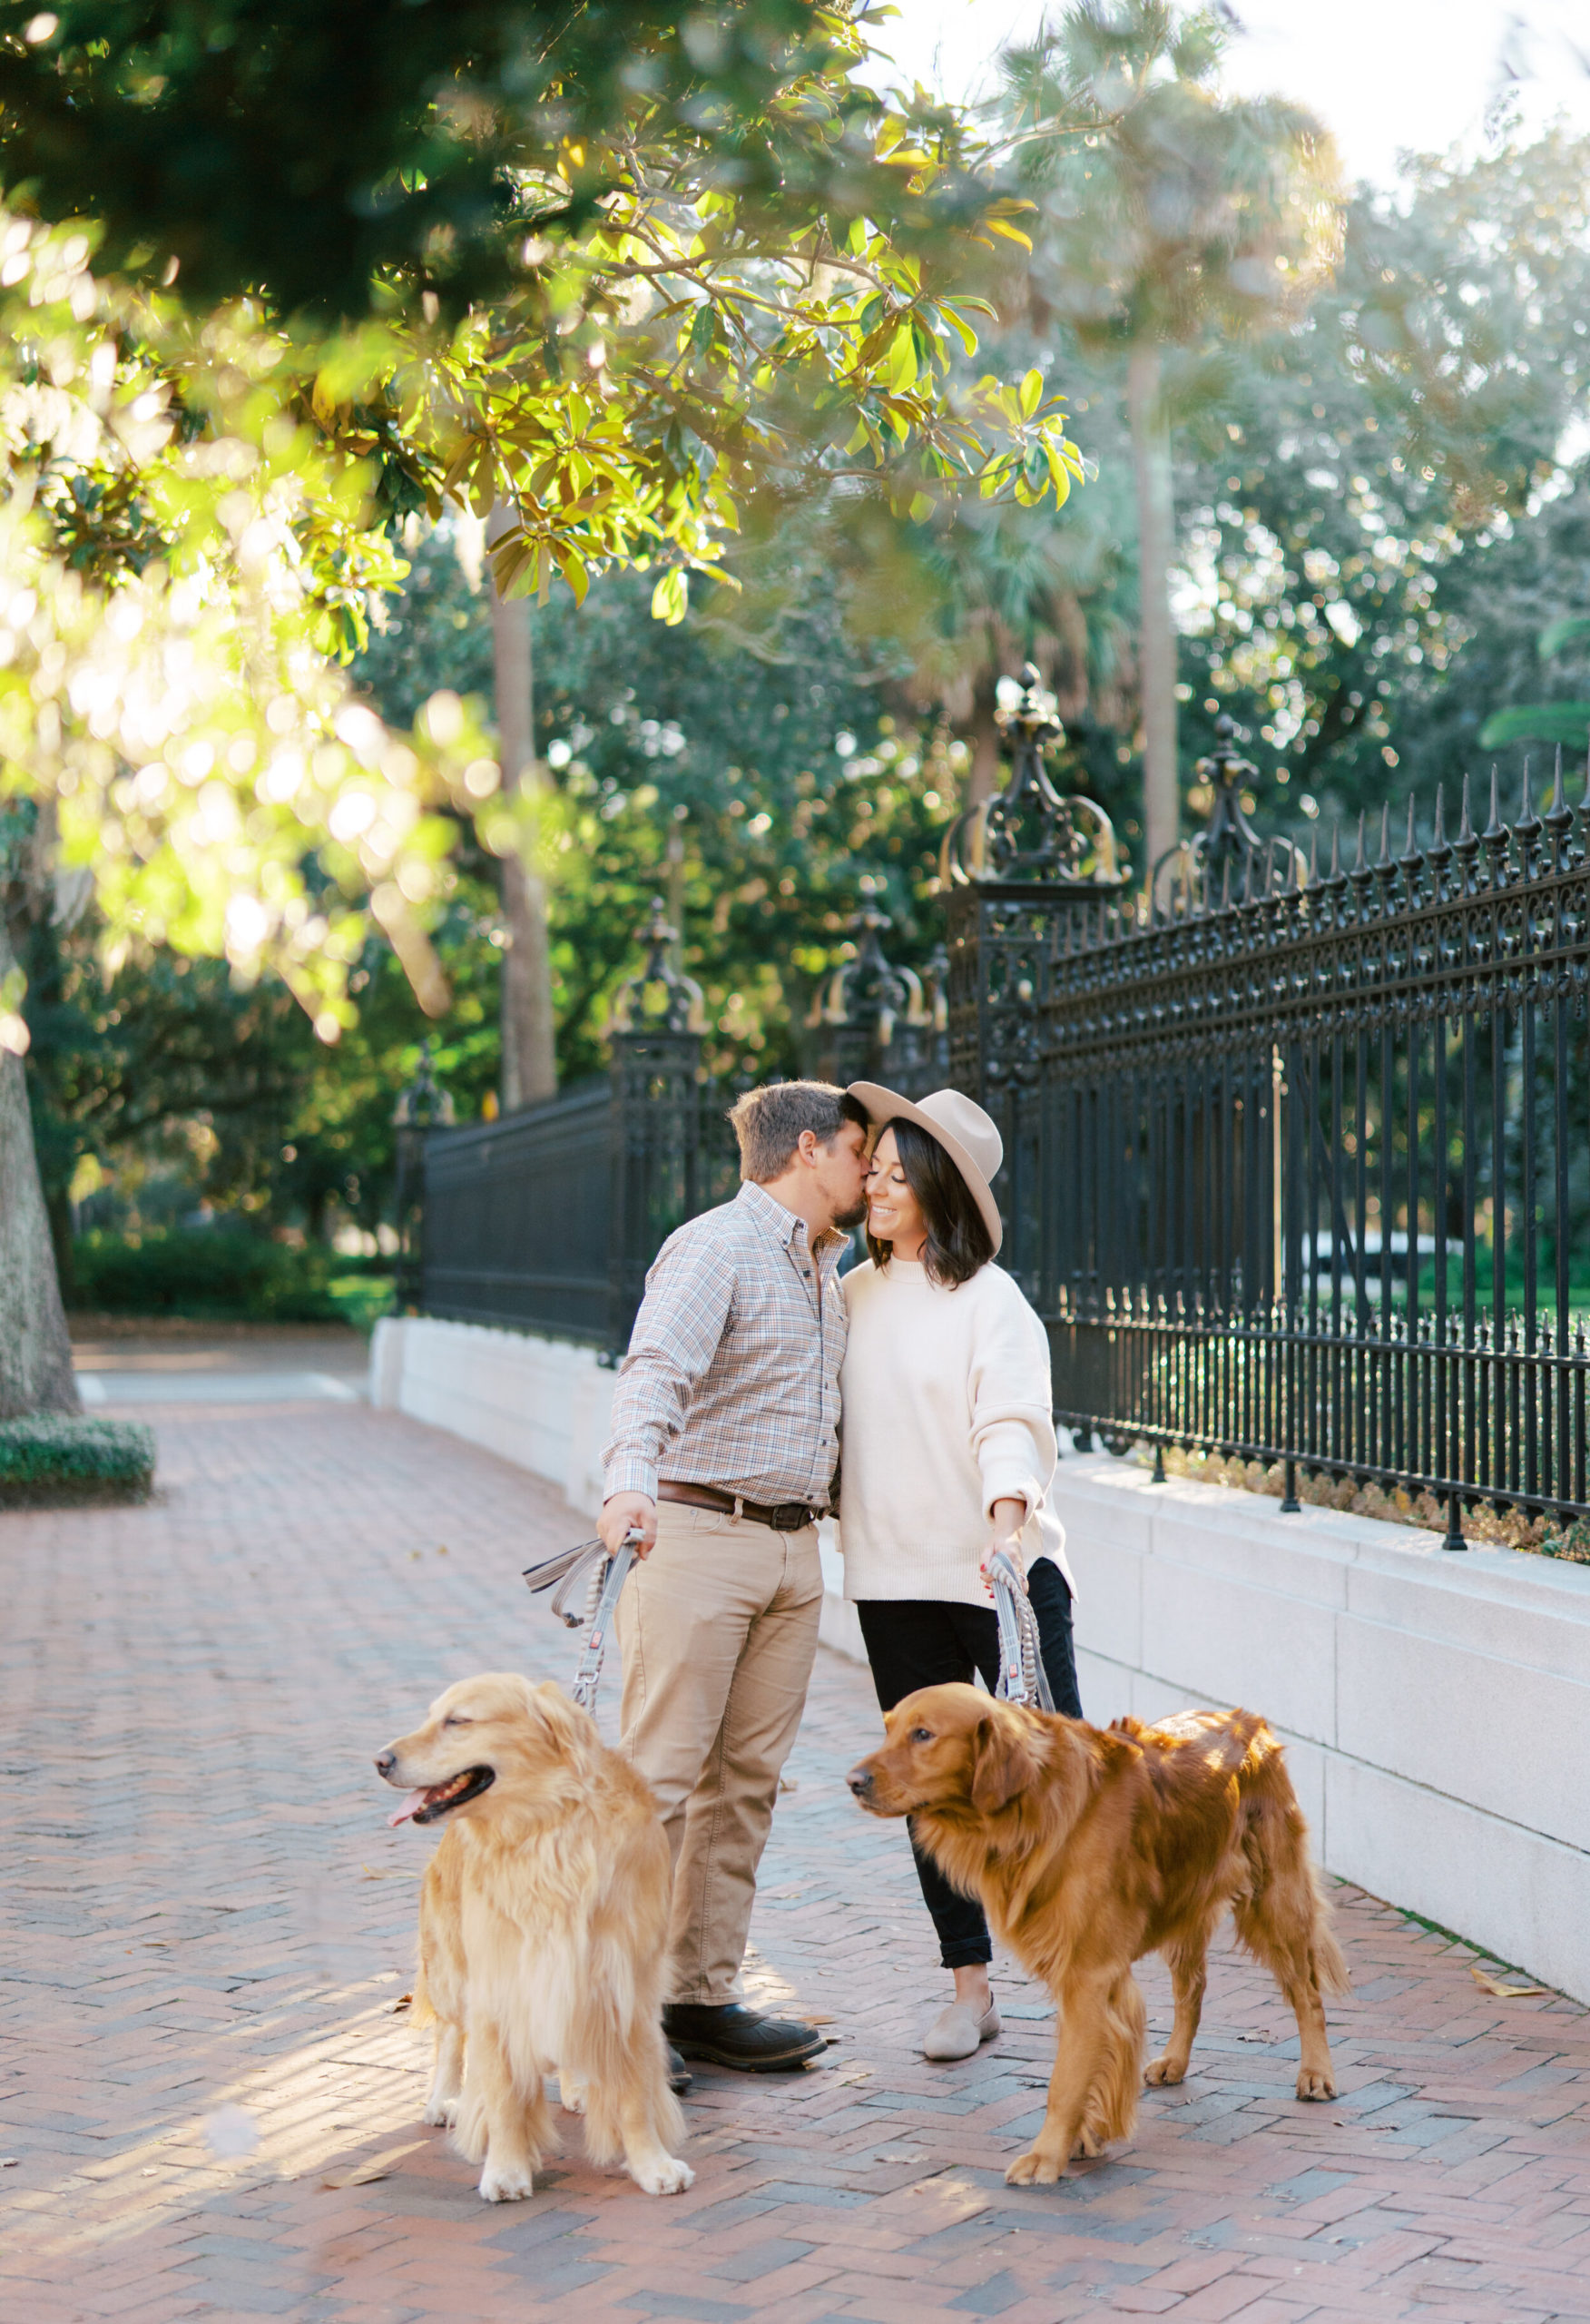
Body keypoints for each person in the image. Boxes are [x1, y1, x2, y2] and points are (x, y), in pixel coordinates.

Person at [599, 1079, 871, 2073]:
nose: (868, 1170)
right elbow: (654, 1369)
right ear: (808, 1148)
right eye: (856, 1150)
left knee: (744, 1786)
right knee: (657, 1784)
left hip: (795, 1550)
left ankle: (696, 1998)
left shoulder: (827, 1274)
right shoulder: (715, 1245)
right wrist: (628, 1483)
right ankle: (613, 2011)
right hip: (698, 1534)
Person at [839, 1082, 1084, 2063]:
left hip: (1001, 1571)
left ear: (940, 1190)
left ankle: (1082, 1975)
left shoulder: (993, 1302)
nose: (876, 1187)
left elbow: (1011, 1422)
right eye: (874, 1172)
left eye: (899, 1175)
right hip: (892, 1577)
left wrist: (1006, 1520)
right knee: (925, 1789)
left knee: (1060, 1782)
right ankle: (970, 1990)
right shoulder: (849, 1296)